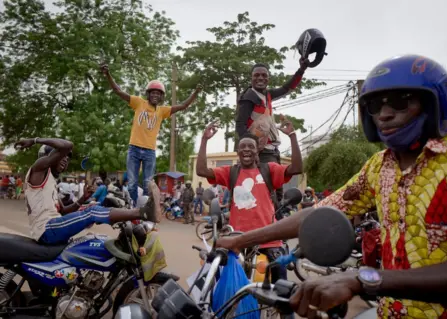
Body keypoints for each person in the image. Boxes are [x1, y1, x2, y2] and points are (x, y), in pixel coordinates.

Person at [216, 55, 447, 318]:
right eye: (375, 106)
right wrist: (240, 240)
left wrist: (362, 278)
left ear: (434, 104)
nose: (385, 114)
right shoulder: (380, 166)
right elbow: (318, 214)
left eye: (400, 103)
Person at [197, 118, 302, 286]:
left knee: (282, 289)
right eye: (243, 147)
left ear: (257, 150)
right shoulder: (230, 172)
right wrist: (204, 140)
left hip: (269, 239)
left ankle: (283, 312)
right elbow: (201, 170)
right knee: (221, 282)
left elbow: (296, 168)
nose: (246, 149)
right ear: (238, 151)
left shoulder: (269, 169)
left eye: (251, 146)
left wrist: (293, 136)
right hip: (238, 240)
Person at [14, 137, 163, 245]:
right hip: (47, 229)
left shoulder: (50, 182)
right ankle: (143, 212)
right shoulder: (38, 169)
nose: (65, 159)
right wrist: (35, 140)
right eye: (60, 156)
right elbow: (67, 145)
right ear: (46, 158)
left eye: (67, 158)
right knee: (92, 213)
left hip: (53, 226)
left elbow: (64, 211)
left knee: (92, 217)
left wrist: (83, 199)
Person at [100, 64, 202, 207]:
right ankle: (132, 209)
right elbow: (118, 90)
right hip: (134, 149)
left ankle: (146, 210)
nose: (155, 95)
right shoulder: (138, 103)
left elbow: (183, 106)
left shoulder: (162, 111)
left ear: (161, 97)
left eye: (158, 93)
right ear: (148, 94)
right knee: (132, 182)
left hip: (149, 151)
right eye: (152, 92)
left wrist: (195, 92)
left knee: (148, 183)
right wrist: (108, 75)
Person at [235, 58, 309, 203]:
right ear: (251, 78)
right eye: (257, 75)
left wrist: (301, 70)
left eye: (264, 75)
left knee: (278, 192)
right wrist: (251, 149)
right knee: (271, 195)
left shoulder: (267, 95)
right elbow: (240, 125)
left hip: (273, 151)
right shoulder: (249, 97)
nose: (260, 78)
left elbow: (287, 88)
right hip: (262, 154)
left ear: (268, 78)